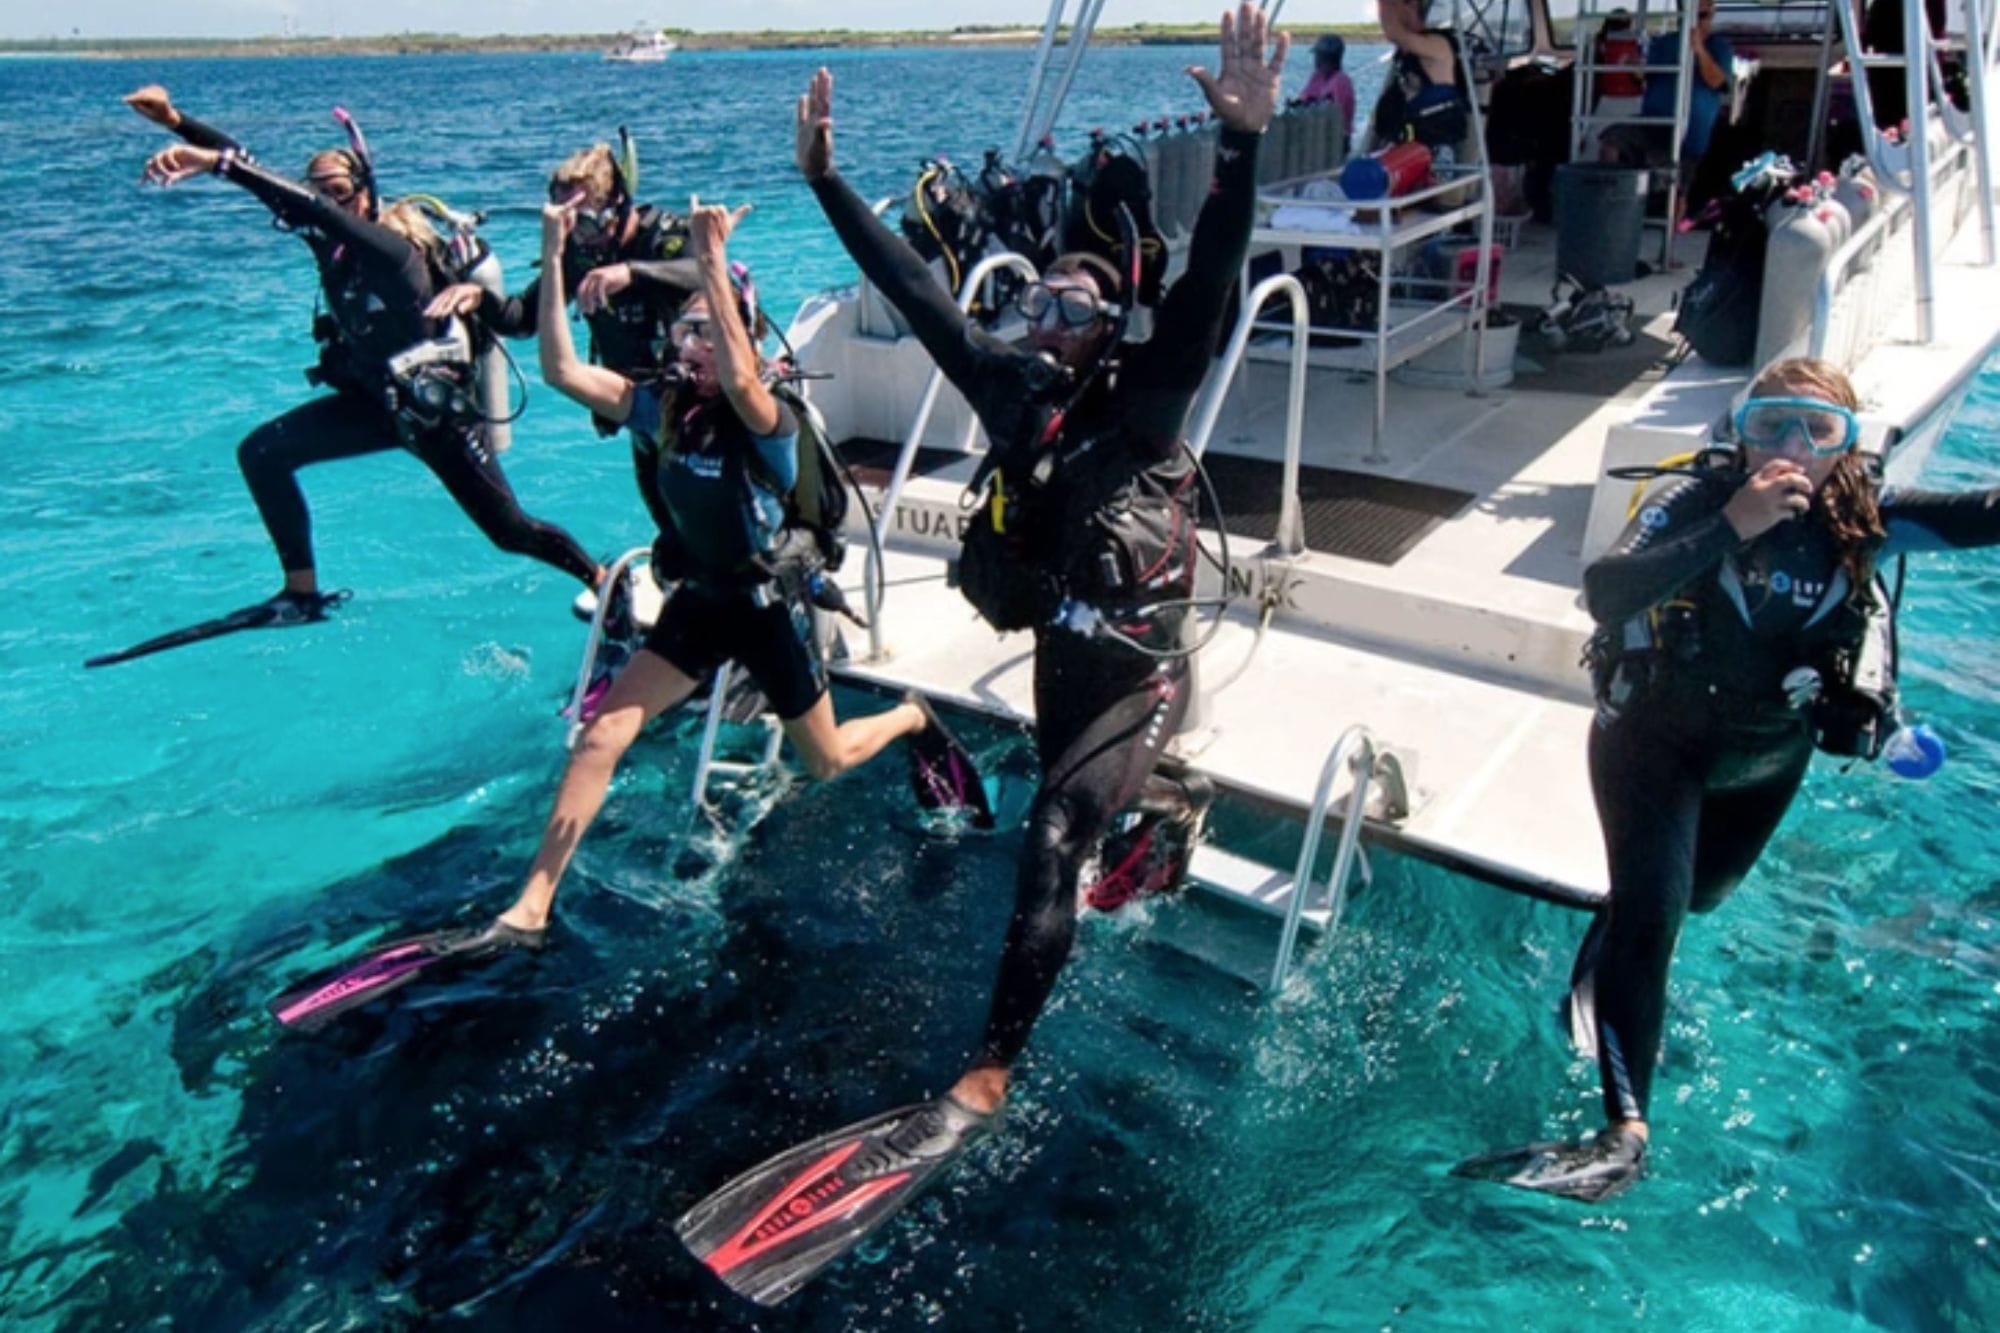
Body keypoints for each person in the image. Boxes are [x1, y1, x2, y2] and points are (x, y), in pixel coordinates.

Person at [672, 13, 1288, 1304]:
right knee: (1078, 814)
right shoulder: (1013, 393)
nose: (1052, 313)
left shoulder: (1146, 399)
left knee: (1055, 831)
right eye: (1042, 296)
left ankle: (988, 1071)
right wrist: (828, 182)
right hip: (1061, 659)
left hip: (1135, 666)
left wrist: (1238, 146)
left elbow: (1214, 283)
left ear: (1112, 323)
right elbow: (911, 288)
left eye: (1079, 302)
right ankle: (1161, 817)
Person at [1457, 358, 2000, 1203]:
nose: (1791, 447)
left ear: (1847, 448)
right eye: (1770, 424)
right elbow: (1605, 589)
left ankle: (1623, 928)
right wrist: (1734, 526)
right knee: (1656, 914)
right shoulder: (1701, 501)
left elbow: (1982, 514)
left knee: (1696, 896)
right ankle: (1623, 1133)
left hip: (1764, 757)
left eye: (1818, 431)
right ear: (1740, 435)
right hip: (1654, 741)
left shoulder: (1865, 519)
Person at [123, 90, 605, 641]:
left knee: (511, 531)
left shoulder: (393, 252)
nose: (329, 202)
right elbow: (272, 184)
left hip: (435, 417)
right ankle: (301, 594)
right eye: (320, 190)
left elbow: (309, 207)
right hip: (375, 404)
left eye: (340, 193)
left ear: (364, 195)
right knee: (261, 453)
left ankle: (603, 579)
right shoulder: (329, 244)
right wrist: (178, 122)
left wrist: (217, 165)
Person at [1599, 0, 1733, 176]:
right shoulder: (1663, 43)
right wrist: (1636, 69)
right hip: (1654, 122)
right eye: (1696, 13)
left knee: (1677, 187)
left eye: (1704, 14)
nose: (1699, 21)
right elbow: (1646, 77)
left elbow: (1717, 82)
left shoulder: (1720, 47)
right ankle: (1609, 193)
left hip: (1690, 131)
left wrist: (1699, 49)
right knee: (1612, 140)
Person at [1371, 0, 1473, 154]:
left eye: (1394, 4)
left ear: (1411, 6)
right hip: (1413, 137)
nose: (1390, 11)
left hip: (1438, 141)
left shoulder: (1436, 44)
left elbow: (1393, 33)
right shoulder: (1409, 48)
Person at [1301, 33, 1357, 158]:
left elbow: (1336, 115)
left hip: (1335, 142)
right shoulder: (1317, 77)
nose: (1315, 60)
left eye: (1318, 56)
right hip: (1315, 136)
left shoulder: (1341, 81)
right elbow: (1305, 99)